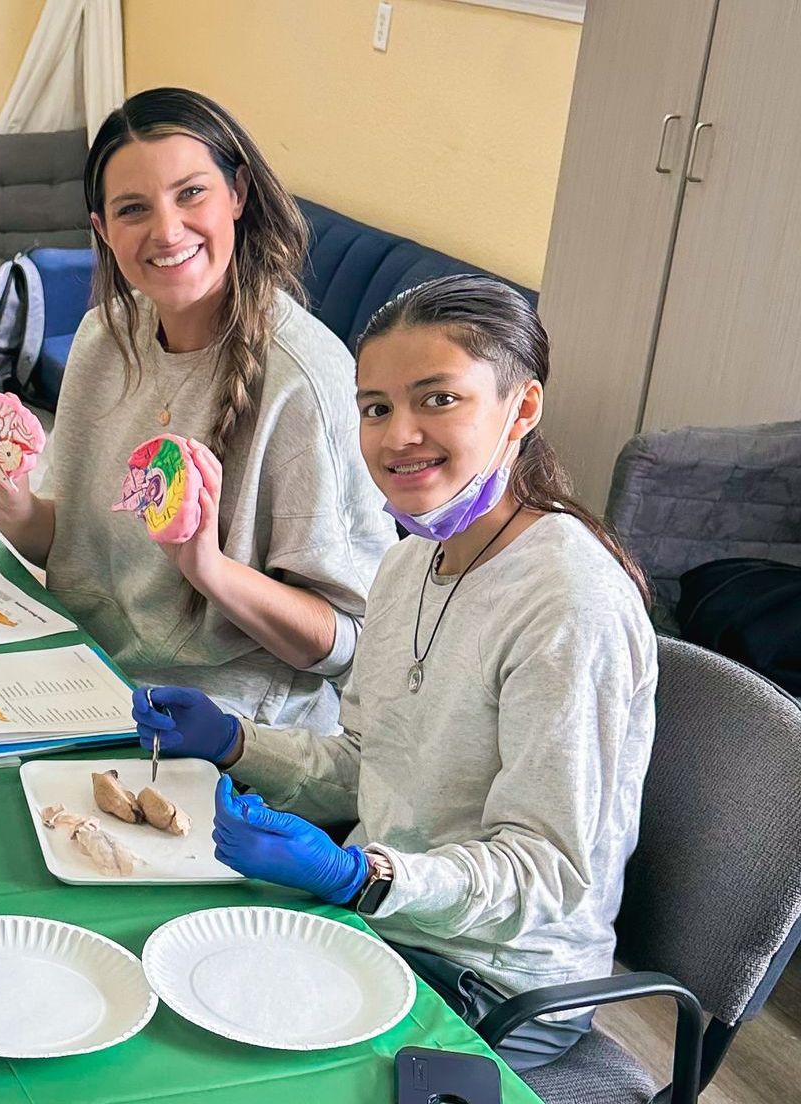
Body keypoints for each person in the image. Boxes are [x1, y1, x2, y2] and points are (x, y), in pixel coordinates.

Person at [137, 275, 657, 1071]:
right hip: (389, 924)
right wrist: (237, 743)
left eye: (437, 399)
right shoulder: (412, 558)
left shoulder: (568, 604)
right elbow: (369, 761)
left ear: (522, 408)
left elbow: (547, 872)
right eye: (376, 407)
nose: (397, 435)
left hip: (494, 982)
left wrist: (361, 876)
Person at [0, 88, 392, 730]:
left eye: (191, 193)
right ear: (103, 231)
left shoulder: (304, 378)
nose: (166, 230)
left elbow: (344, 644)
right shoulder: (104, 336)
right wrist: (16, 509)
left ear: (238, 194)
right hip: (82, 681)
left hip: (227, 728)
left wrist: (207, 568)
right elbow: (77, 552)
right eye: (134, 208)